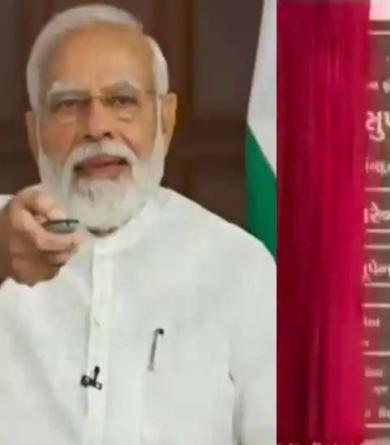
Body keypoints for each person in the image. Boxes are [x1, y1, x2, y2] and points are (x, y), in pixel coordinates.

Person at [0, 4, 275, 445]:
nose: (97, 127)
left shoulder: (239, 267)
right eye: (68, 105)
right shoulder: (5, 235)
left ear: (166, 119)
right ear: (34, 134)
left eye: (122, 101)